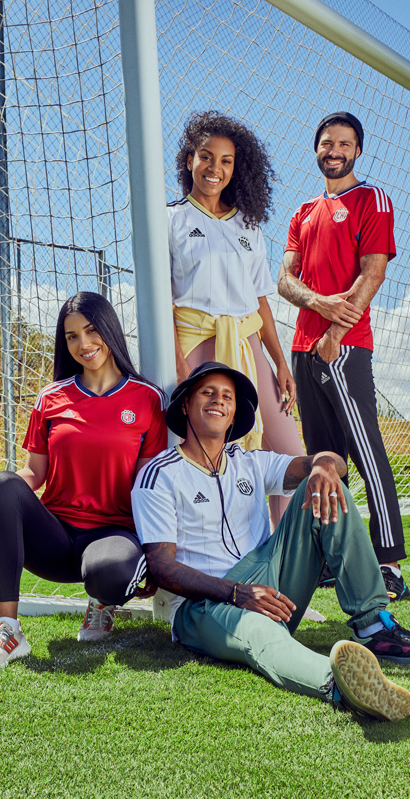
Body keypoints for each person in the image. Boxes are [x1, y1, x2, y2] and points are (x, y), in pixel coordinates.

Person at [131, 362, 410, 721]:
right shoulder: (159, 473)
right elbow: (161, 566)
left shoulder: (248, 463)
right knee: (253, 631)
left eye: (227, 396)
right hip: (203, 605)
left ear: (235, 412)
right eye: (207, 392)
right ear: (185, 404)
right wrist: (236, 593)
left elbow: (325, 462)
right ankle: (341, 684)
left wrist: (325, 465)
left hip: (270, 591)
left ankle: (372, 625)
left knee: (326, 483)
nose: (218, 400)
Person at [0, 292, 167, 671]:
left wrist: (155, 554)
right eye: (72, 336)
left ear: (110, 330)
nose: (83, 344)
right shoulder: (51, 397)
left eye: (92, 331)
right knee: (0, 484)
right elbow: (34, 473)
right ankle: (8, 630)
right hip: (55, 538)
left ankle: (101, 602)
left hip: (113, 536)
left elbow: (149, 484)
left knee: (112, 572)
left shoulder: (148, 399)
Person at [277, 111, 410, 600]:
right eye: (327, 142)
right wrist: (316, 305)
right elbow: (284, 280)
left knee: (368, 453)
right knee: (325, 462)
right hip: (301, 349)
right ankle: (337, 558)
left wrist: (334, 330)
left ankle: (388, 562)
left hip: (345, 347)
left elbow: (372, 274)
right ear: (316, 149)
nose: (334, 150)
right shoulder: (301, 212)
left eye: (345, 143)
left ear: (358, 150)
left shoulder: (371, 199)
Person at [168, 111, 304, 525]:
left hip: (246, 347)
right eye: (207, 157)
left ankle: (280, 562)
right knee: (192, 457)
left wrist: (280, 362)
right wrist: (177, 365)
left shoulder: (249, 224)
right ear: (190, 158)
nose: (215, 168)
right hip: (193, 346)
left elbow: (260, 300)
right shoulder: (170, 218)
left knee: (290, 456)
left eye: (226, 161)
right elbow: (161, 299)